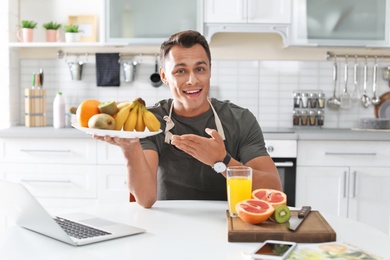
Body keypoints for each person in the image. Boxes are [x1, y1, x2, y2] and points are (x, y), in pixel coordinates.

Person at [95, 30, 282, 208]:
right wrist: (130, 148)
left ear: (210, 70)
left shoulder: (240, 119)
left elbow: (273, 190)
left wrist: (222, 161)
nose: (192, 80)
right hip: (167, 226)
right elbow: (145, 199)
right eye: (180, 71)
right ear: (164, 76)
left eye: (200, 69)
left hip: (228, 225)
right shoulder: (150, 121)